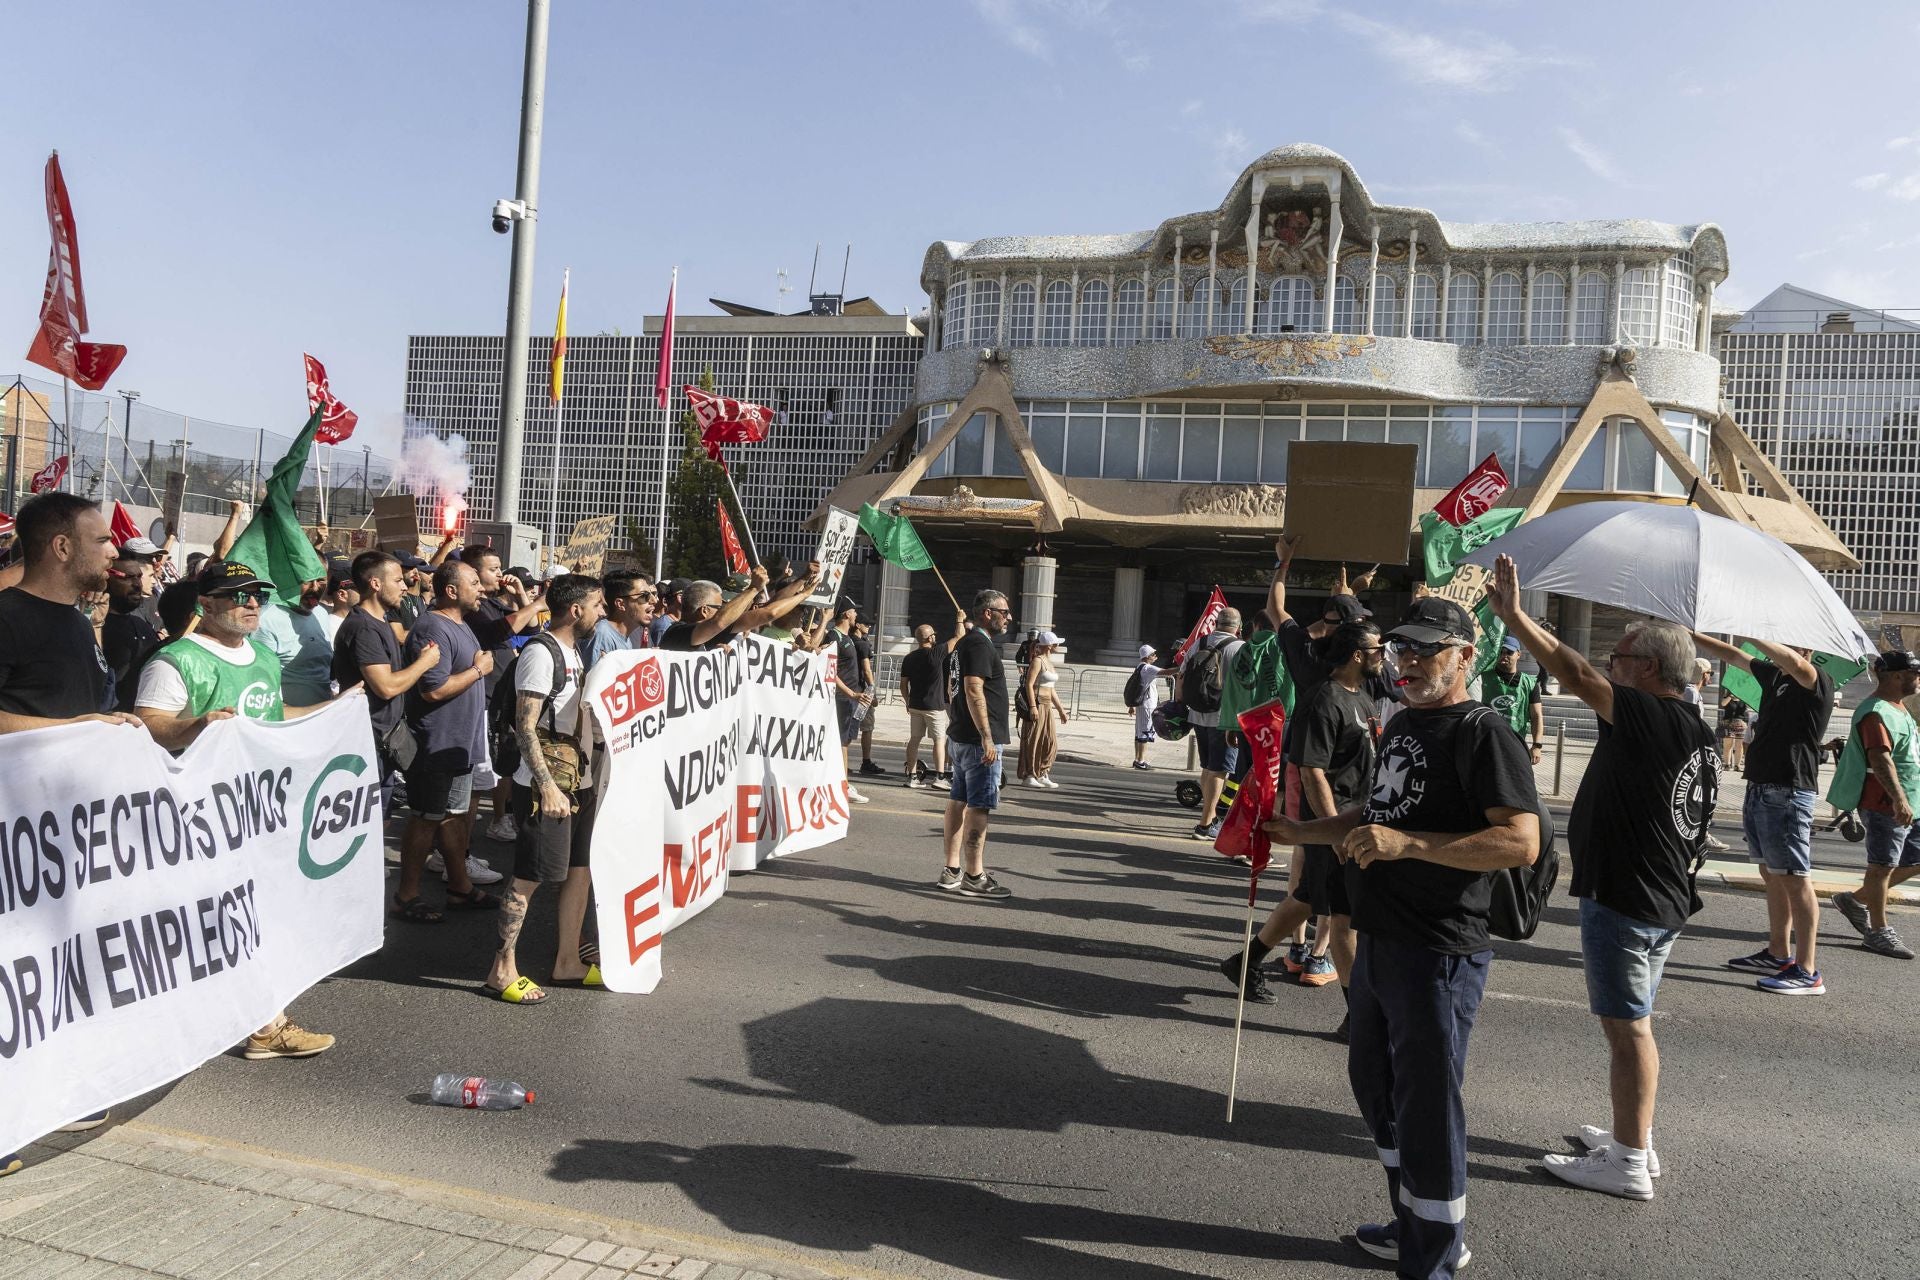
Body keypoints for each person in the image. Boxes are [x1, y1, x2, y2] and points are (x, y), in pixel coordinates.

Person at [1265, 595, 1540, 1278]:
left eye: (1426, 648)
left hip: (1437, 950)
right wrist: (1302, 833)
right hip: (1384, 944)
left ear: (1465, 656)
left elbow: (1519, 840)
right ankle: (1413, 1220)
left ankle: (1436, 1257)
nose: (1408, 660)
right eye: (1402, 648)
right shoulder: (1410, 722)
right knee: (1375, 1085)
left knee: (1426, 1110)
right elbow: (1379, 811)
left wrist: (1406, 843)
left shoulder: (1483, 732)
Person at [1491, 556, 1714, 1201]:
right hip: (1654, 897)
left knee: (1629, 1028)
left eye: (1621, 656)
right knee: (1632, 1024)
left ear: (1647, 670)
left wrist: (1515, 617)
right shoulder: (1686, 725)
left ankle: (1628, 1161)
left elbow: (1577, 672)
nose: (1611, 666)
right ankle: (1633, 1137)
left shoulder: (1648, 715)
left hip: (1629, 898)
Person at [133, 558, 335, 1063]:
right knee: (210, 922)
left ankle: (263, 1024)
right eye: (238, 596)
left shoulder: (263, 656)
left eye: (257, 596)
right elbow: (147, 725)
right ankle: (259, 1025)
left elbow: (270, 714)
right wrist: (197, 725)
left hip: (255, 809)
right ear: (206, 604)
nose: (251, 604)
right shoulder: (175, 660)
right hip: (195, 816)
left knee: (252, 916)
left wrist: (330, 713)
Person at [1219, 621, 1384, 1008]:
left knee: (1307, 898)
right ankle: (1358, 1015)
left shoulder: (1361, 695)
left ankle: (1245, 962)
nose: (1383, 655)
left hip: (1353, 820)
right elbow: (1312, 770)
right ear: (1357, 655)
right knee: (1343, 919)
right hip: (1333, 824)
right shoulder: (1324, 699)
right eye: (1377, 648)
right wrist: (1333, 833)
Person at [485, 574, 607, 1004]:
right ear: (576, 610)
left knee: (579, 871)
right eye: (598, 604)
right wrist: (547, 785)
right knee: (529, 877)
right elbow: (524, 725)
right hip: (548, 787)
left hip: (579, 780)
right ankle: (501, 970)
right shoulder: (541, 652)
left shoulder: (573, 651)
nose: (603, 611)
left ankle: (568, 961)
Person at [1693, 631, 1835, 994]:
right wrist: (1692, 633)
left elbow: (1796, 663)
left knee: (1794, 876)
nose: (1786, 650)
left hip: (1788, 789)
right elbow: (1735, 655)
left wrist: (1761, 633)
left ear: (1807, 648)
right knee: (1770, 872)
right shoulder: (1775, 677)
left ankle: (1808, 970)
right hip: (1760, 785)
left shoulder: (1815, 679)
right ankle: (1778, 951)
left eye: (1793, 643)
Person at [395, 561, 500, 921]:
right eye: (474, 582)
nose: (482, 588)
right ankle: (407, 896)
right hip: (435, 745)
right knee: (425, 819)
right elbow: (434, 691)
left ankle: (460, 887)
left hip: (461, 743)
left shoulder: (462, 624)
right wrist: (478, 671)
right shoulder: (432, 627)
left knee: (454, 818)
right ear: (451, 591)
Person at [0, 494, 133, 735]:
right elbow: (72, 722)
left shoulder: (81, 623)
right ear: (62, 548)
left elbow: (73, 709)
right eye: (102, 540)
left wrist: (111, 723)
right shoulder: (6, 618)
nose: (114, 553)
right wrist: (72, 728)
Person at [330, 551, 443, 814]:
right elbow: (386, 686)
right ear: (375, 584)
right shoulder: (364, 628)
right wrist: (425, 663)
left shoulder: (379, 622)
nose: (404, 586)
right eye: (397, 580)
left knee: (383, 817)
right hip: (369, 742)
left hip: (385, 741)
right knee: (367, 821)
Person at [1828, 650, 1920, 960]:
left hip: (1911, 801)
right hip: (1887, 804)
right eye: (1914, 672)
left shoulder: (1897, 707)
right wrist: (1899, 800)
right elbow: (1879, 759)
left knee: (1912, 859)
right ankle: (1878, 932)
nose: (1918, 677)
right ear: (1896, 676)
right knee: (1881, 867)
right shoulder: (1876, 712)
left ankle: (1853, 901)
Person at [464, 544, 542, 844]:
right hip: (482, 700)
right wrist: (537, 604)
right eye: (493, 568)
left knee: (499, 768)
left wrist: (525, 597)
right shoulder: (476, 609)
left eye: (500, 567)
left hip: (498, 698)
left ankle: (465, 849)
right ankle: (457, 856)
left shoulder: (491, 602)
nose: (500, 573)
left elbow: (532, 628)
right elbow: (500, 632)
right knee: (477, 781)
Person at [941, 588, 1014, 898]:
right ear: (988, 613)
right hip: (977, 741)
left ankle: (952, 869)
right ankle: (974, 875)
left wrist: (956, 723)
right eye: (1004, 612)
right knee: (979, 806)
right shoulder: (980, 645)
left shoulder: (960, 646)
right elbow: (972, 689)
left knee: (958, 801)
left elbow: (949, 690)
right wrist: (986, 736)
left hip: (960, 737)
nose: (1009, 617)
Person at [1176, 608, 1245, 840]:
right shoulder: (1240, 648)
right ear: (1237, 626)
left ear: (1216, 623)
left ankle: (1211, 816)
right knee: (1219, 770)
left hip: (1198, 715)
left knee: (1207, 768)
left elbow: (1181, 675)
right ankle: (1205, 825)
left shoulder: (1198, 643)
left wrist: (1179, 704)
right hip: (1225, 720)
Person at [658, 568, 817, 652]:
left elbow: (767, 610)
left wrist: (803, 587)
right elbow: (720, 621)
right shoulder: (676, 633)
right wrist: (753, 589)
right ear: (704, 611)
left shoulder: (713, 636)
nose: (726, 611)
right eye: (721, 608)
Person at [900, 614, 966, 787]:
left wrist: (907, 701)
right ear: (930, 638)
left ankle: (912, 777)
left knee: (914, 739)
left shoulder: (909, 658)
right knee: (939, 740)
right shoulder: (936, 653)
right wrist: (960, 619)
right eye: (933, 635)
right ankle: (940, 777)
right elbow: (959, 637)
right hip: (934, 706)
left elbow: (903, 685)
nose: (936, 637)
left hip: (915, 705)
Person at [102, 538, 164, 712]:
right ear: (106, 577)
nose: (136, 584)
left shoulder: (141, 625)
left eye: (138, 576)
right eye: (128, 578)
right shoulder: (89, 625)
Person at [256, 575, 337, 709]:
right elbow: (262, 685)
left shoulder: (321, 614)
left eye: (321, 580)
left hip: (324, 716)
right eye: (307, 580)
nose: (315, 587)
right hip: (289, 723)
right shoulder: (267, 620)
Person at [824, 602, 873, 803]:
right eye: (853, 611)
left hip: (852, 698)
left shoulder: (849, 638)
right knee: (842, 742)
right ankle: (843, 785)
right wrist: (850, 693)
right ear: (846, 614)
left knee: (845, 741)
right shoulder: (833, 636)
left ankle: (840, 782)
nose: (856, 614)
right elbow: (829, 670)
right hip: (842, 698)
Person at [1481, 635, 1545, 766]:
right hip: (1486, 743)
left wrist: (1537, 745)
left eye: (1509, 652)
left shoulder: (1530, 683)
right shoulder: (1483, 677)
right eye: (1501, 652)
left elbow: (1536, 716)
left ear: (1518, 654)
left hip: (1515, 745)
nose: (1504, 655)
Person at [1018, 629, 1069, 788]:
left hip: (1047, 705)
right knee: (1033, 740)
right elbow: (1029, 684)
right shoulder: (1038, 661)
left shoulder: (1049, 662)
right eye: (1056, 643)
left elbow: (1051, 688)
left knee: (1049, 741)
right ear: (1049, 645)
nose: (1058, 645)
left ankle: (1042, 772)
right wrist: (1033, 706)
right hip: (1038, 703)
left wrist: (1061, 710)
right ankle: (1030, 774)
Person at [580, 569, 656, 668]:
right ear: (621, 604)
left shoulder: (625, 638)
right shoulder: (602, 635)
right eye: (644, 596)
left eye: (652, 595)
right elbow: (593, 681)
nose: (653, 600)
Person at [852, 615, 887, 778]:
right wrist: (872, 691)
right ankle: (866, 762)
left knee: (844, 728)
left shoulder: (848, 640)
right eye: (867, 624)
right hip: (861, 690)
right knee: (867, 728)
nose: (869, 627)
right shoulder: (863, 644)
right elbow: (867, 670)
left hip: (847, 688)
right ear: (858, 625)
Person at [1129, 643, 1167, 770]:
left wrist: (1132, 705)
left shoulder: (1140, 667)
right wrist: (1183, 667)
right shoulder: (1148, 668)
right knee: (1145, 733)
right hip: (1147, 705)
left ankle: (1137, 759)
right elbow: (1166, 672)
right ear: (1148, 656)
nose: (1155, 656)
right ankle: (1141, 760)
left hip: (1141, 704)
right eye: (1153, 654)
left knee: (1139, 732)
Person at [317, 562, 359, 642]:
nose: (366, 592)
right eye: (360, 589)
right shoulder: (328, 627)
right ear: (342, 595)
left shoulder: (363, 621)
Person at [649, 578, 688, 645]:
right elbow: (660, 655)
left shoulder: (682, 623)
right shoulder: (664, 627)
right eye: (692, 596)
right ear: (680, 598)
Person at [1719, 691, 1750, 771]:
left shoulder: (1743, 699)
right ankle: (1727, 765)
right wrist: (1730, 696)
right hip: (1728, 723)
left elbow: (1746, 710)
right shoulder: (1727, 698)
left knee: (1739, 746)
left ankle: (1737, 766)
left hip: (1740, 724)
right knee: (1728, 745)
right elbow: (1723, 704)